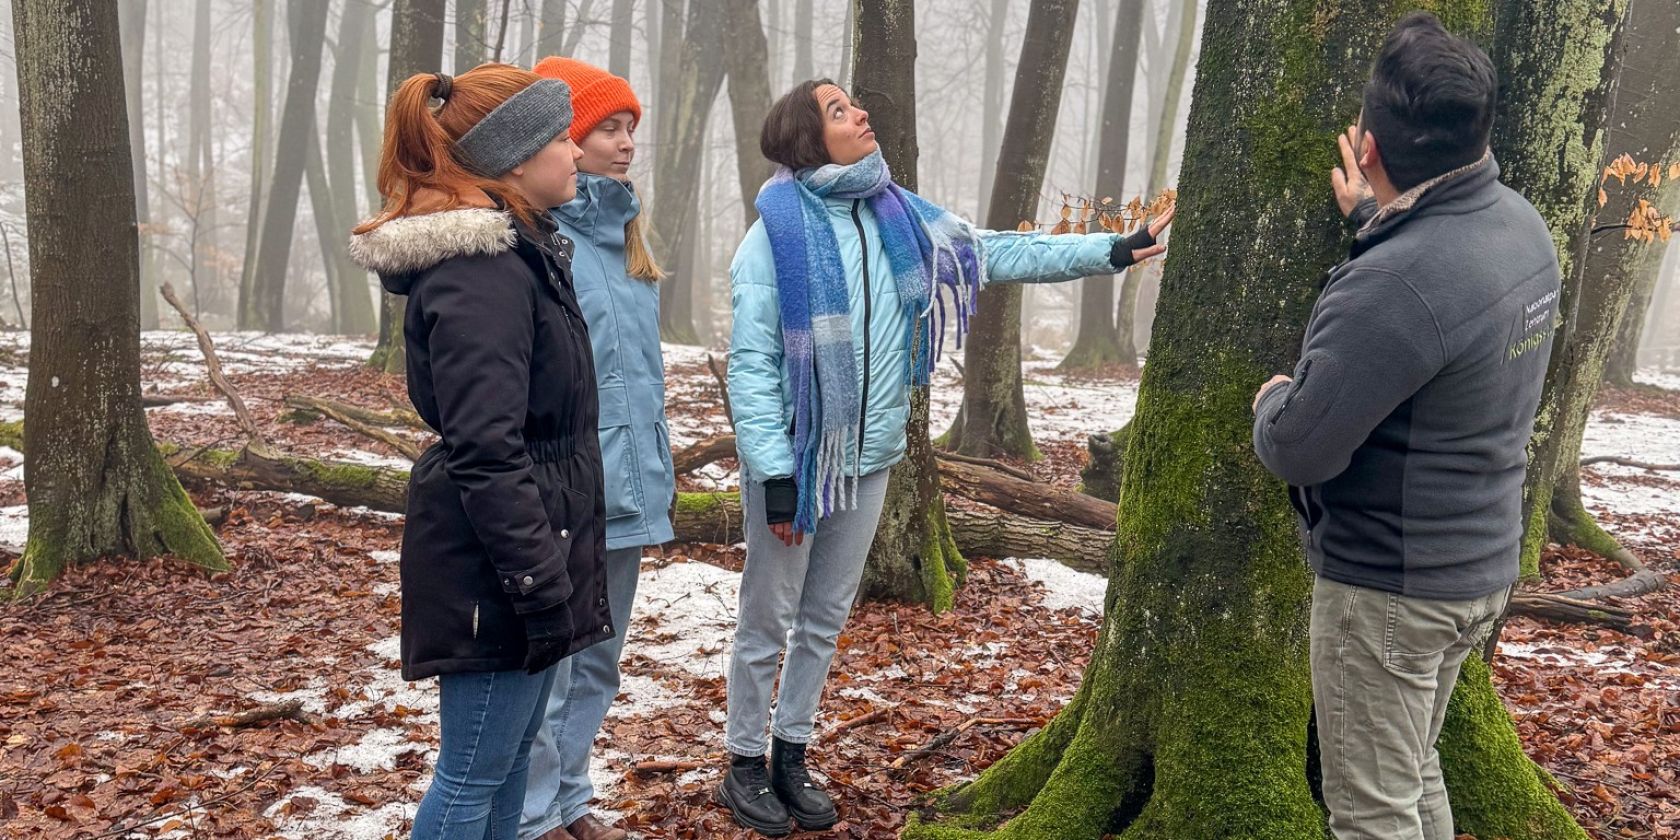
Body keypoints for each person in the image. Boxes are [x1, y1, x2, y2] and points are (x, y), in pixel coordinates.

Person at [719, 79, 1174, 836]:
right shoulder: (772, 239)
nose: (861, 113)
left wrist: (1113, 249)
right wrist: (773, 476)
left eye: (854, 104)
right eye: (838, 111)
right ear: (807, 137)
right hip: (797, 466)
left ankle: (790, 754)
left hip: (869, 459)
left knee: (824, 618)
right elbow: (753, 368)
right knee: (767, 619)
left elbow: (997, 250)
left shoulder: (899, 218)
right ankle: (741, 762)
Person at [1250, 13, 1560, 840]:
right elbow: (1439, 317)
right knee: (1415, 772)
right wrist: (1377, 221)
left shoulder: (1393, 286)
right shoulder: (1518, 227)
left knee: (1372, 814)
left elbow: (1301, 447)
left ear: (1369, 148)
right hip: (1474, 564)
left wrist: (1272, 400)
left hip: (1392, 588)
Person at [347, 64, 613, 840]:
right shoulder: (482, 275)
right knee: (469, 777)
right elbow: (486, 449)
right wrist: (536, 577)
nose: (576, 150)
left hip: (527, 546)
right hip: (495, 563)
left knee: (504, 767)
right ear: (514, 159)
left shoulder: (522, 254)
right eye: (560, 138)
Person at [516, 56, 670, 840]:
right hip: (568, 490)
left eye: (630, 128)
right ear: (565, 138)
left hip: (631, 486)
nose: (625, 143)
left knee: (601, 660)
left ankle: (571, 797)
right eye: (607, 128)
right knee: (554, 665)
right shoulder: (544, 242)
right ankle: (534, 812)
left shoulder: (626, 245)